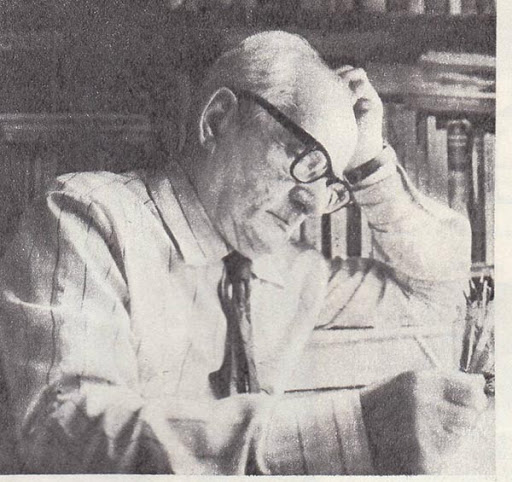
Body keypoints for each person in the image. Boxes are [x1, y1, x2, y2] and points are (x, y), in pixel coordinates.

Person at [0, 31, 488, 475]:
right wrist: (349, 432)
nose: (314, 204)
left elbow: (433, 294)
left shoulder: (293, 272)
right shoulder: (87, 217)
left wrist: (372, 166)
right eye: (307, 160)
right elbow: (59, 432)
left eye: (332, 185)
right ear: (217, 120)